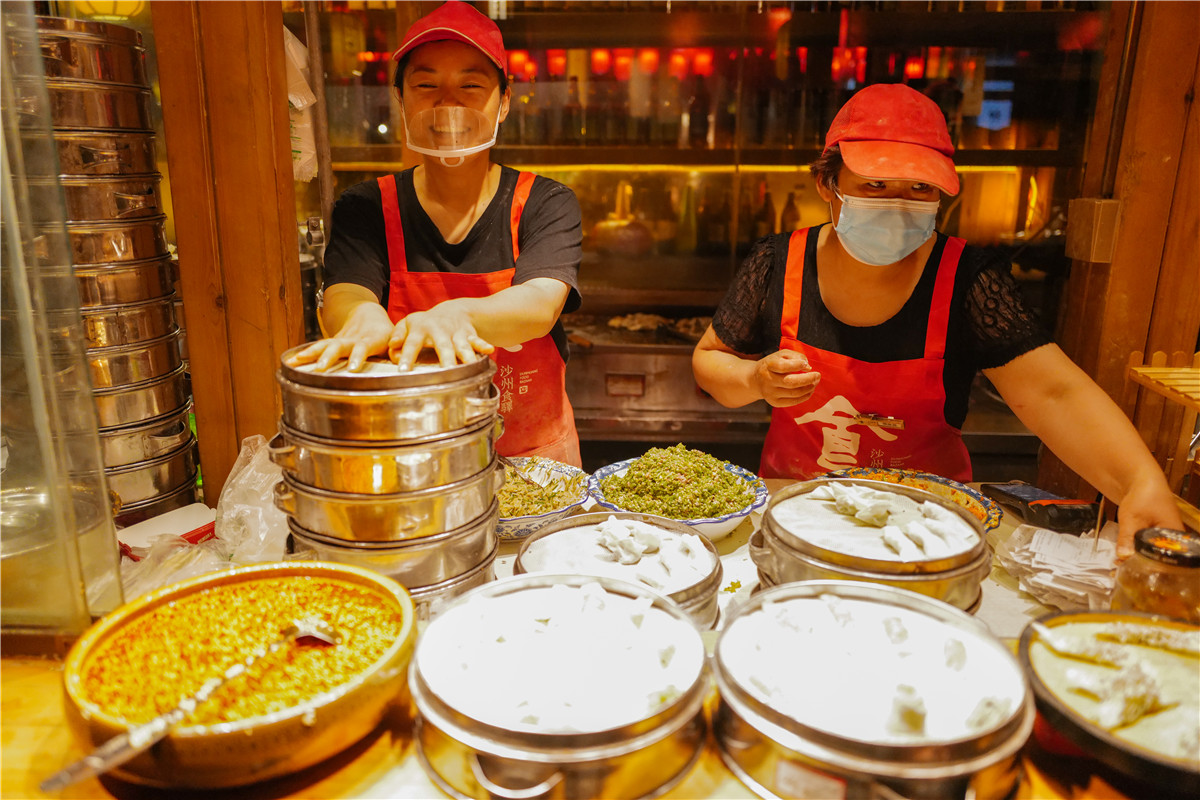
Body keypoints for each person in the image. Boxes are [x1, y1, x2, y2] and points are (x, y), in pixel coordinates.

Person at [692, 83, 1182, 558]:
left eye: (920, 188)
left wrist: (1139, 482)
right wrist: (755, 380)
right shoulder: (779, 261)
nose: (897, 203)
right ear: (827, 183)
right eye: (875, 184)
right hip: (796, 524)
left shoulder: (969, 279)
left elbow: (1053, 393)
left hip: (926, 534)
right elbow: (710, 363)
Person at [285, 1, 583, 465]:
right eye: (426, 85)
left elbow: (539, 305)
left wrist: (454, 316)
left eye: (471, 85)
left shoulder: (546, 202)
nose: (448, 103)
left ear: (504, 102)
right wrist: (363, 320)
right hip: (415, 466)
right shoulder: (365, 207)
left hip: (534, 463)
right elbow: (349, 294)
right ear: (400, 99)